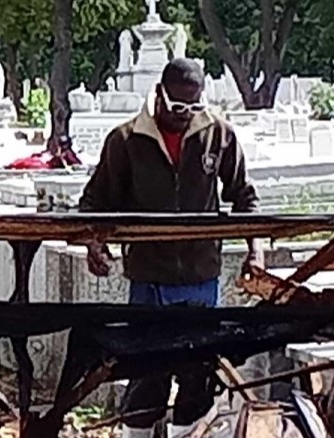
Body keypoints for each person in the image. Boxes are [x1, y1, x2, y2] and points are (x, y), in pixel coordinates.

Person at [79, 58, 259, 438]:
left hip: (201, 275)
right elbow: (95, 202)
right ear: (159, 95)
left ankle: (188, 434)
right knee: (147, 371)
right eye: (178, 107)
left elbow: (244, 197)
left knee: (197, 372)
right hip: (149, 278)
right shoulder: (126, 141)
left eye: (194, 107)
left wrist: (254, 248)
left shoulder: (218, 135)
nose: (186, 115)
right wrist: (96, 242)